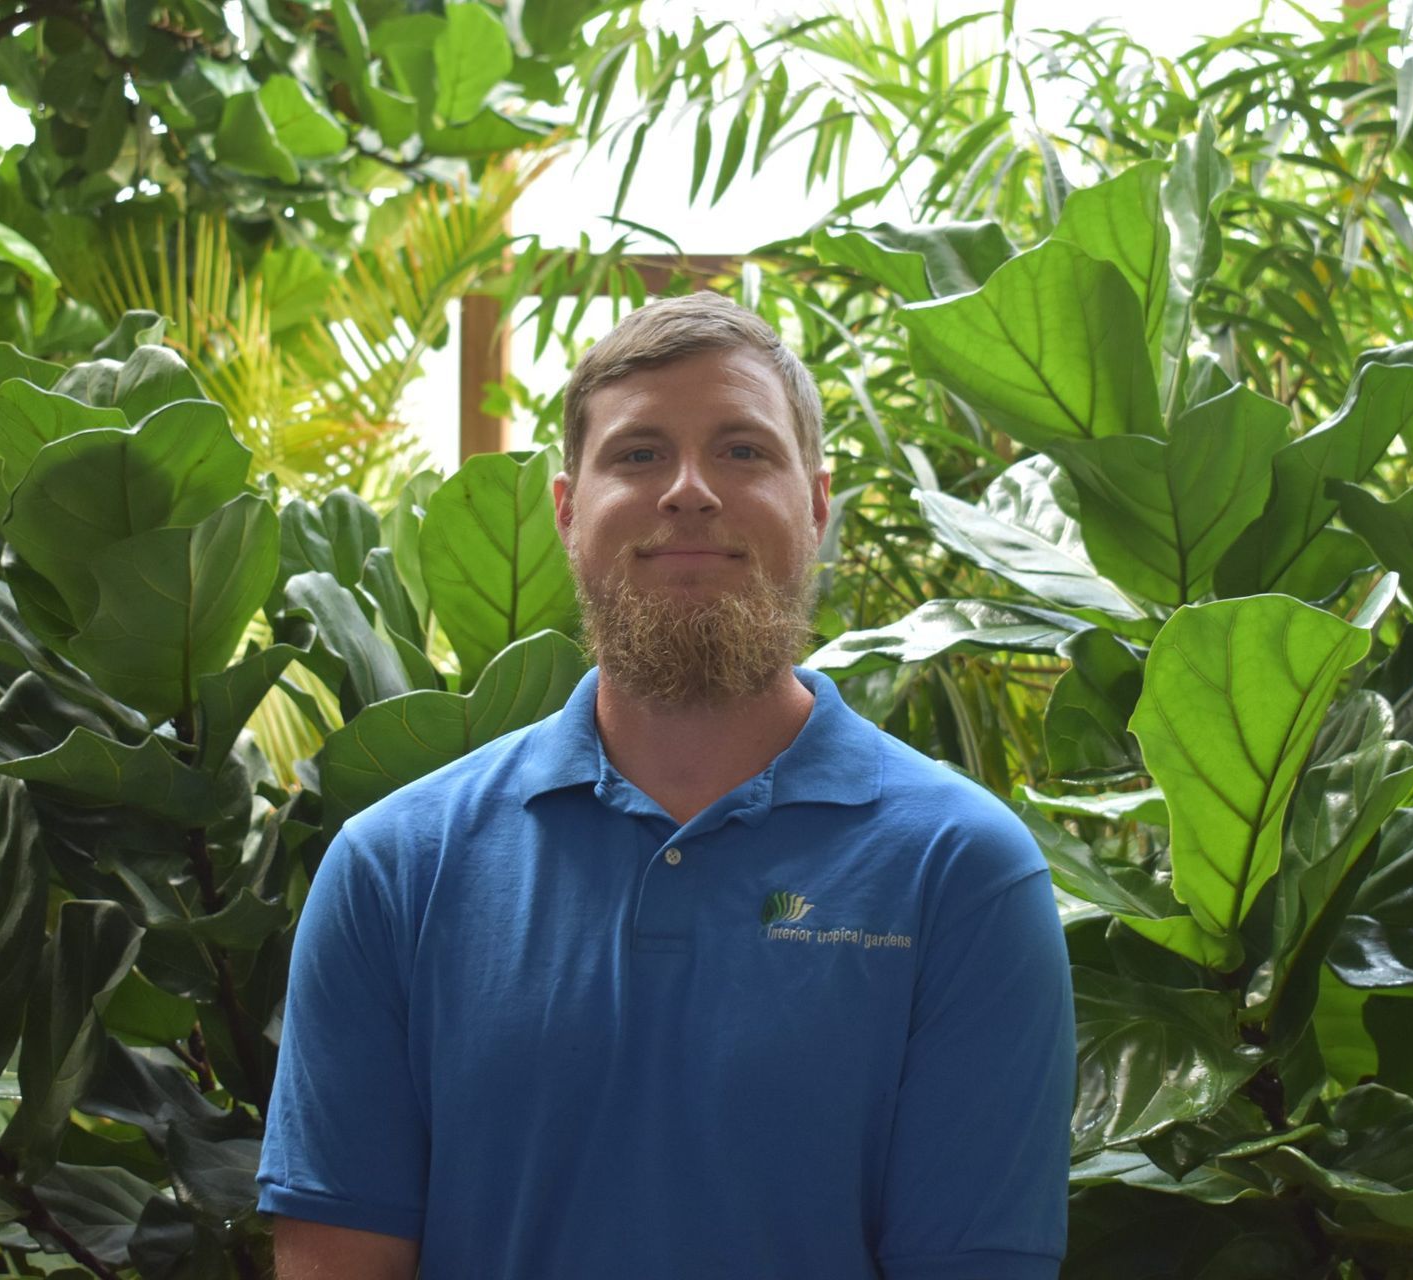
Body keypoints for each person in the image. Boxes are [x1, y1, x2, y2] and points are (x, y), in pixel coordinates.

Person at [256, 292, 1076, 1279]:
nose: (689, 490)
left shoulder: (963, 875)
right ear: (567, 510)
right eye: (639, 454)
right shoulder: (393, 870)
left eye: (742, 450)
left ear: (816, 504)